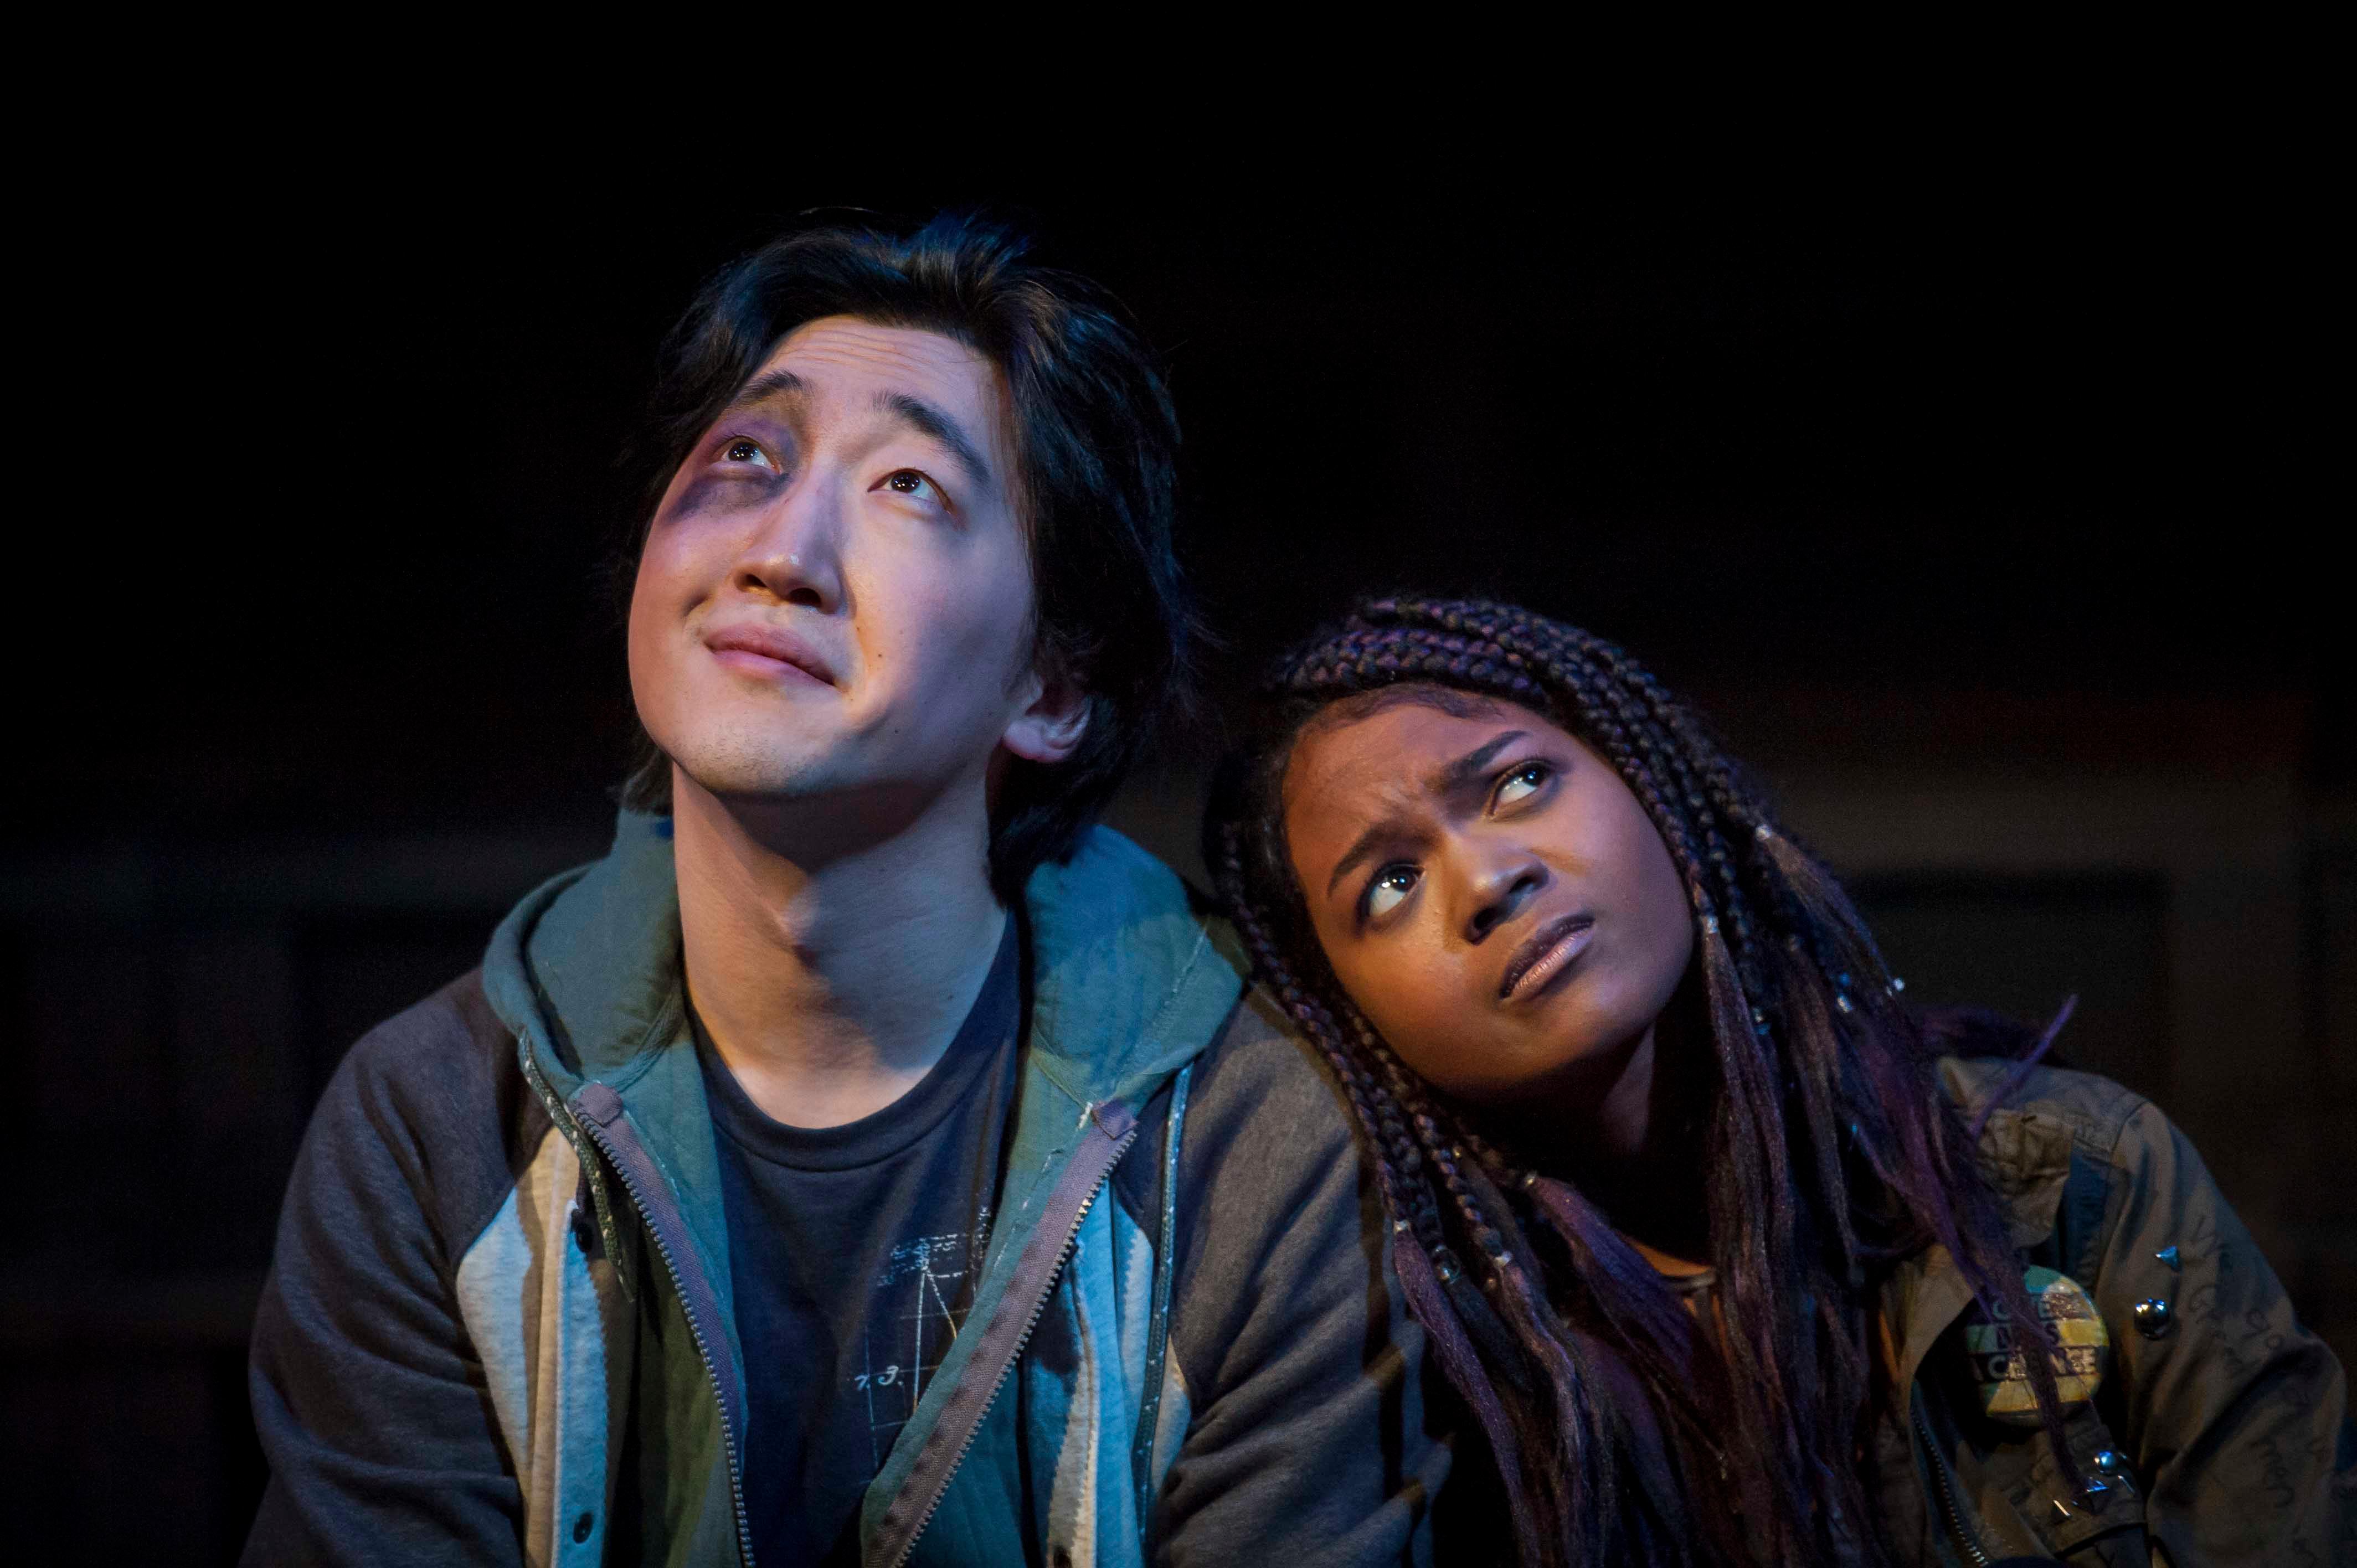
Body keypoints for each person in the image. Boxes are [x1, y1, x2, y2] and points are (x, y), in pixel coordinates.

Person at [243, 218, 1469, 1567]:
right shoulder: (432, 1129)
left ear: (1052, 688)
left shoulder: (1249, 1145)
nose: (781, 550)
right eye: (746, 459)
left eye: (906, 486)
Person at [1205, 594, 2355, 1567]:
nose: (1489, 878)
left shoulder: (2072, 1188)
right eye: (1390, 885)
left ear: (1648, 784)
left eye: (1517, 783)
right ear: (1348, 1015)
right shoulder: (1404, 1375)